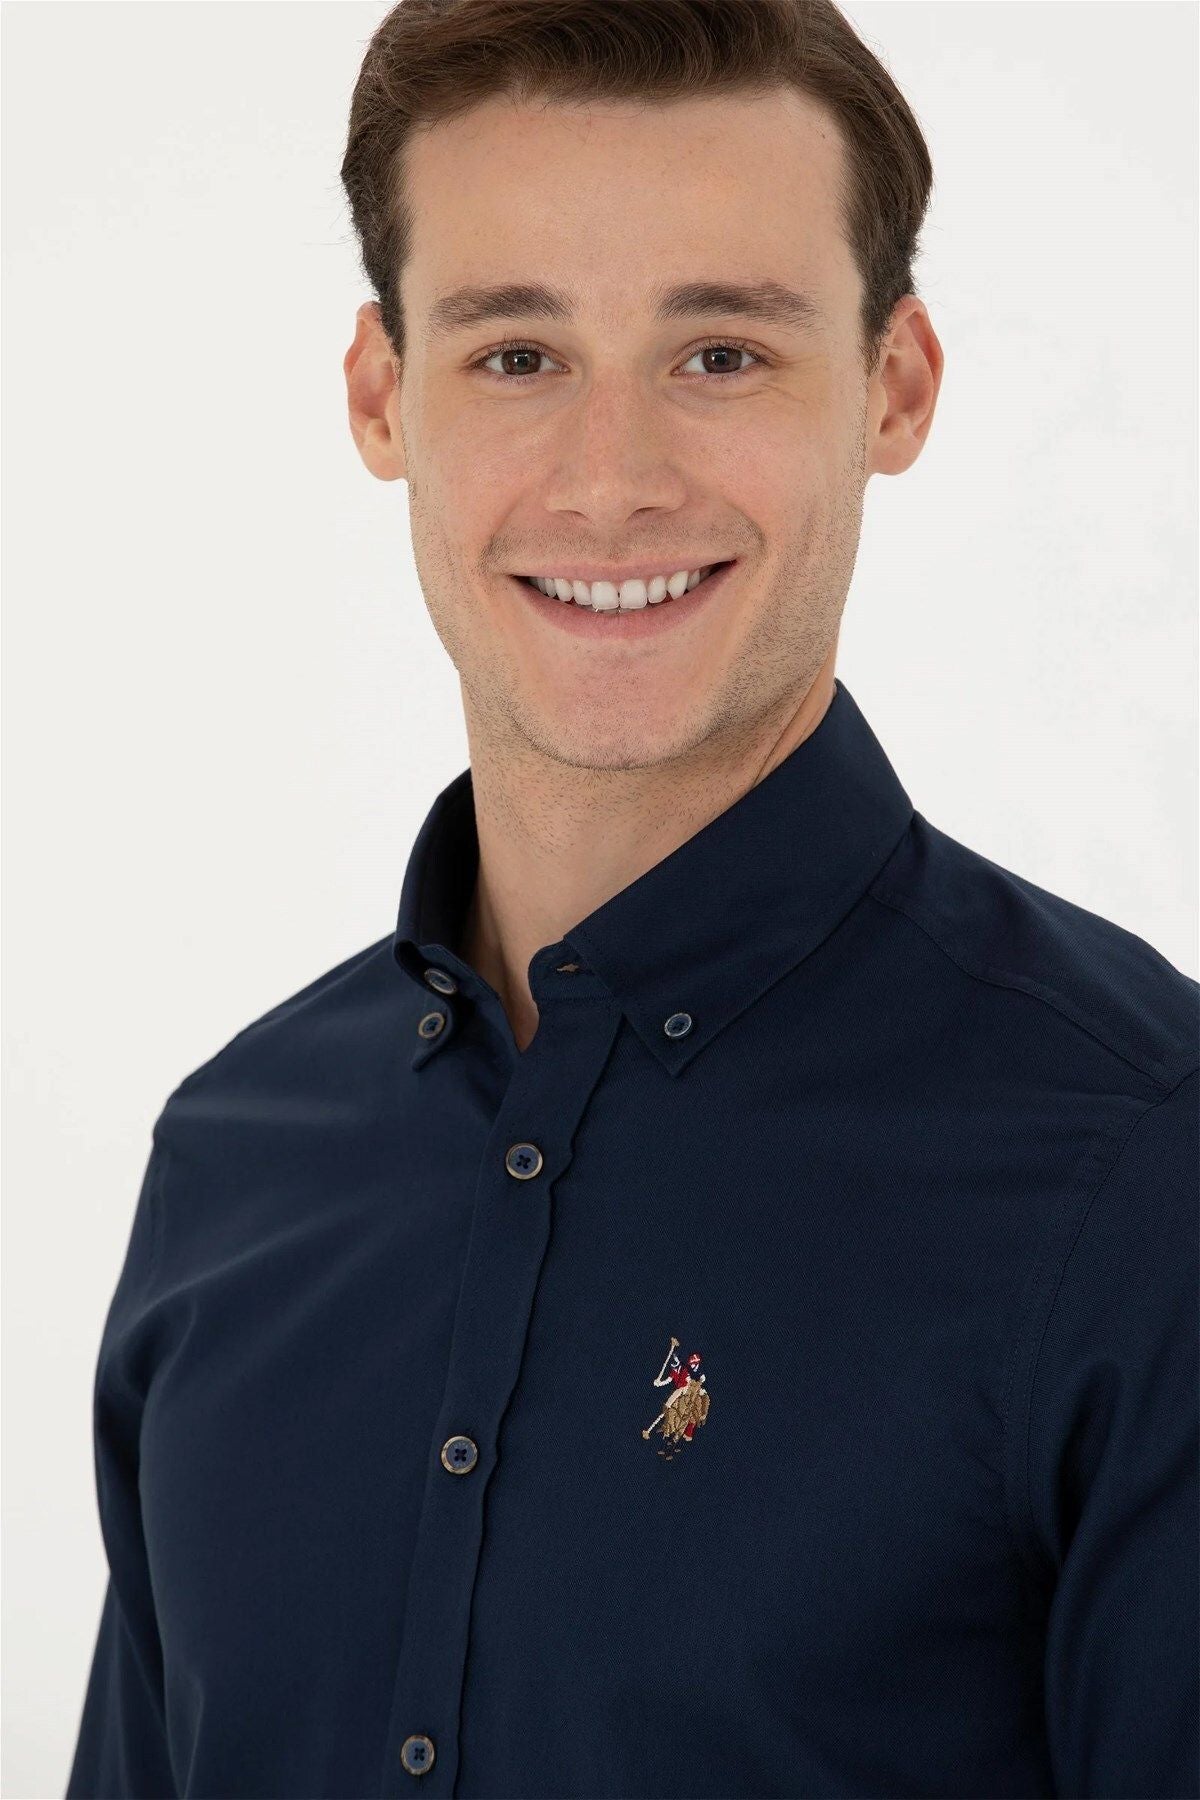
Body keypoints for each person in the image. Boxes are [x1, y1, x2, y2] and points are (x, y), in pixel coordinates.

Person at [67, 0, 1199, 1795]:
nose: (612, 483)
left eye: (721, 353)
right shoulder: (232, 1163)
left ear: (895, 386)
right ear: (382, 395)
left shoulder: (1145, 1173)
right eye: (517, 355)